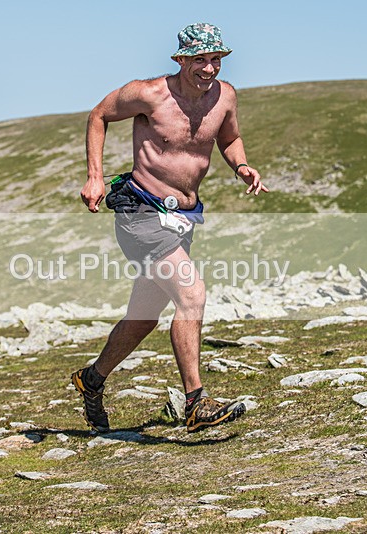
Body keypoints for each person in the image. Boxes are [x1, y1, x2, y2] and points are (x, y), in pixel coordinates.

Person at [73, 23, 269, 434]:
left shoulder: (225, 96)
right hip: (140, 211)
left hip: (182, 218)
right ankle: (195, 402)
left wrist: (242, 166)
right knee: (192, 294)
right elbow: (99, 115)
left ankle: (92, 379)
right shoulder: (149, 94)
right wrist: (95, 176)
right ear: (181, 59)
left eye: (215, 59)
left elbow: (230, 138)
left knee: (144, 317)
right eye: (199, 59)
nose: (209, 68)